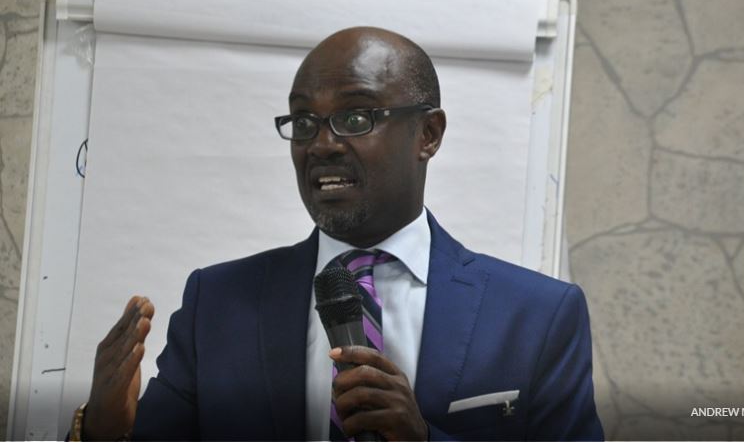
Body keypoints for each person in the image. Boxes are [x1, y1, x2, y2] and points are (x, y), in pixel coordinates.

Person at [71, 27, 604, 441]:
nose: (321, 144)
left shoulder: (535, 317)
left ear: (428, 134)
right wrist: (101, 431)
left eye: (355, 118)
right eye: (304, 122)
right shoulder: (218, 305)